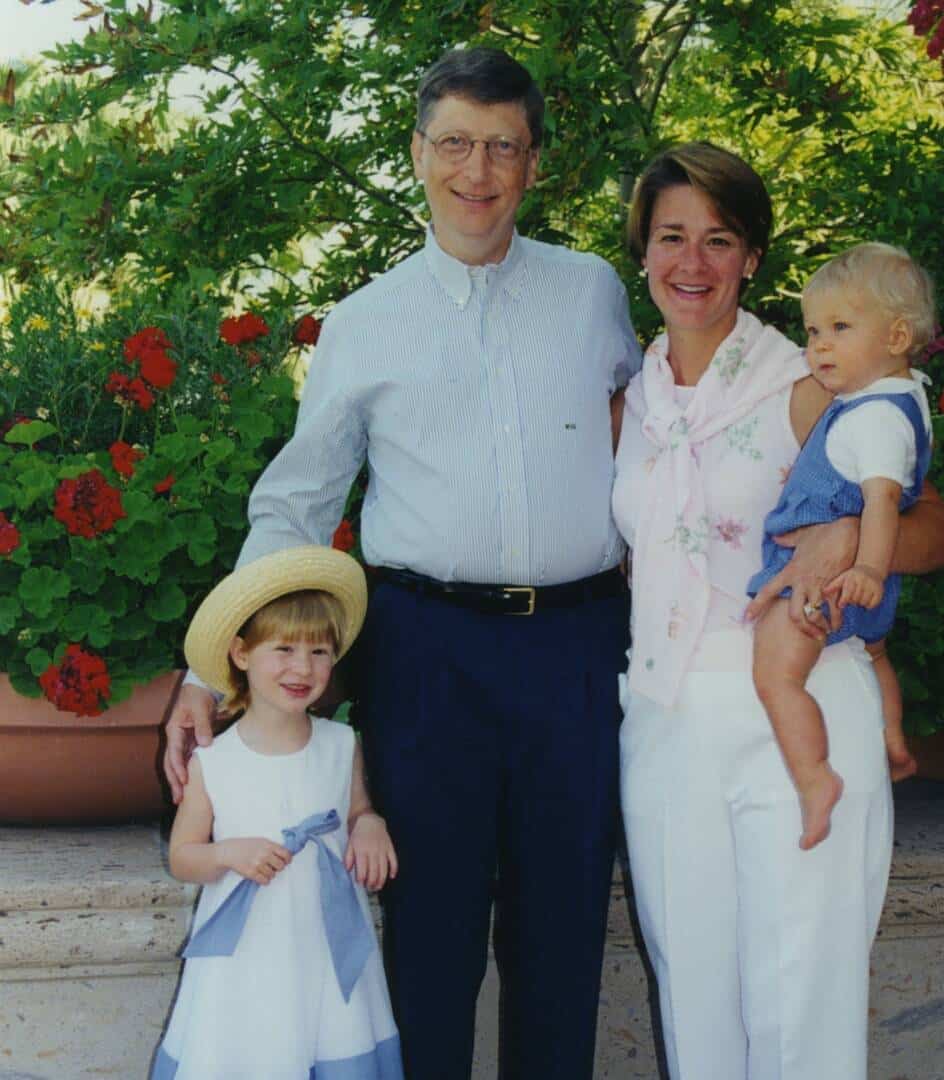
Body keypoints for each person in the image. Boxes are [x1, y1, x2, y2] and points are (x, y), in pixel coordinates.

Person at [163, 47, 641, 1079]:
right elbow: (297, 500)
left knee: (562, 928)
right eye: (457, 143)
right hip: (426, 652)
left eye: (504, 146)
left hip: (577, 644)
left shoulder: (595, 293)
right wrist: (214, 669)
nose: (479, 169)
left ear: (534, 165)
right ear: (419, 154)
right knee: (428, 929)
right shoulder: (367, 321)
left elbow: (658, 443)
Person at [611, 143, 944, 1080]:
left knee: (801, 1005)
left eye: (719, 240)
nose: (693, 263)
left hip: (798, 712)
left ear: (753, 257)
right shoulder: (627, 399)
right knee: (694, 1003)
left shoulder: (810, 384)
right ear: (641, 251)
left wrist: (849, 536)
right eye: (671, 237)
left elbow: (938, 532)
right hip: (663, 719)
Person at [152, 545, 403, 1079]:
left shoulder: (339, 743)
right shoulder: (216, 762)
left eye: (319, 652)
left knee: (334, 1039)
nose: (302, 667)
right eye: (284, 649)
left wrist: (370, 824)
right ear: (242, 654)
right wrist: (227, 853)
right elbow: (182, 856)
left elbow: (357, 808)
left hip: (326, 941)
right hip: (251, 954)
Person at [747, 241, 929, 851]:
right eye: (813, 330)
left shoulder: (873, 418)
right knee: (876, 654)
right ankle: (893, 736)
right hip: (865, 588)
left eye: (840, 328)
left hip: (832, 581)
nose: (819, 345)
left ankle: (814, 776)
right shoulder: (896, 397)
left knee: (776, 675)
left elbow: (880, 502)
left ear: (897, 335)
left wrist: (868, 569)